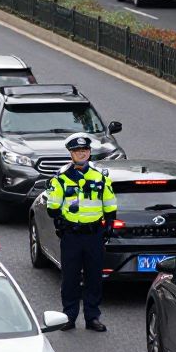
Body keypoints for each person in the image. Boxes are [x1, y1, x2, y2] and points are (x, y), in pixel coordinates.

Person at [45, 133, 118, 332]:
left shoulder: (100, 176)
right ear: (71, 153)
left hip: (94, 235)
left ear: (90, 152)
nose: (81, 154)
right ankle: (69, 316)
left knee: (94, 278)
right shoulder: (61, 178)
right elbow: (53, 207)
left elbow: (110, 204)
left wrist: (109, 224)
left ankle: (92, 317)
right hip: (72, 235)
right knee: (70, 278)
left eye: (84, 150)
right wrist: (61, 222)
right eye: (77, 151)